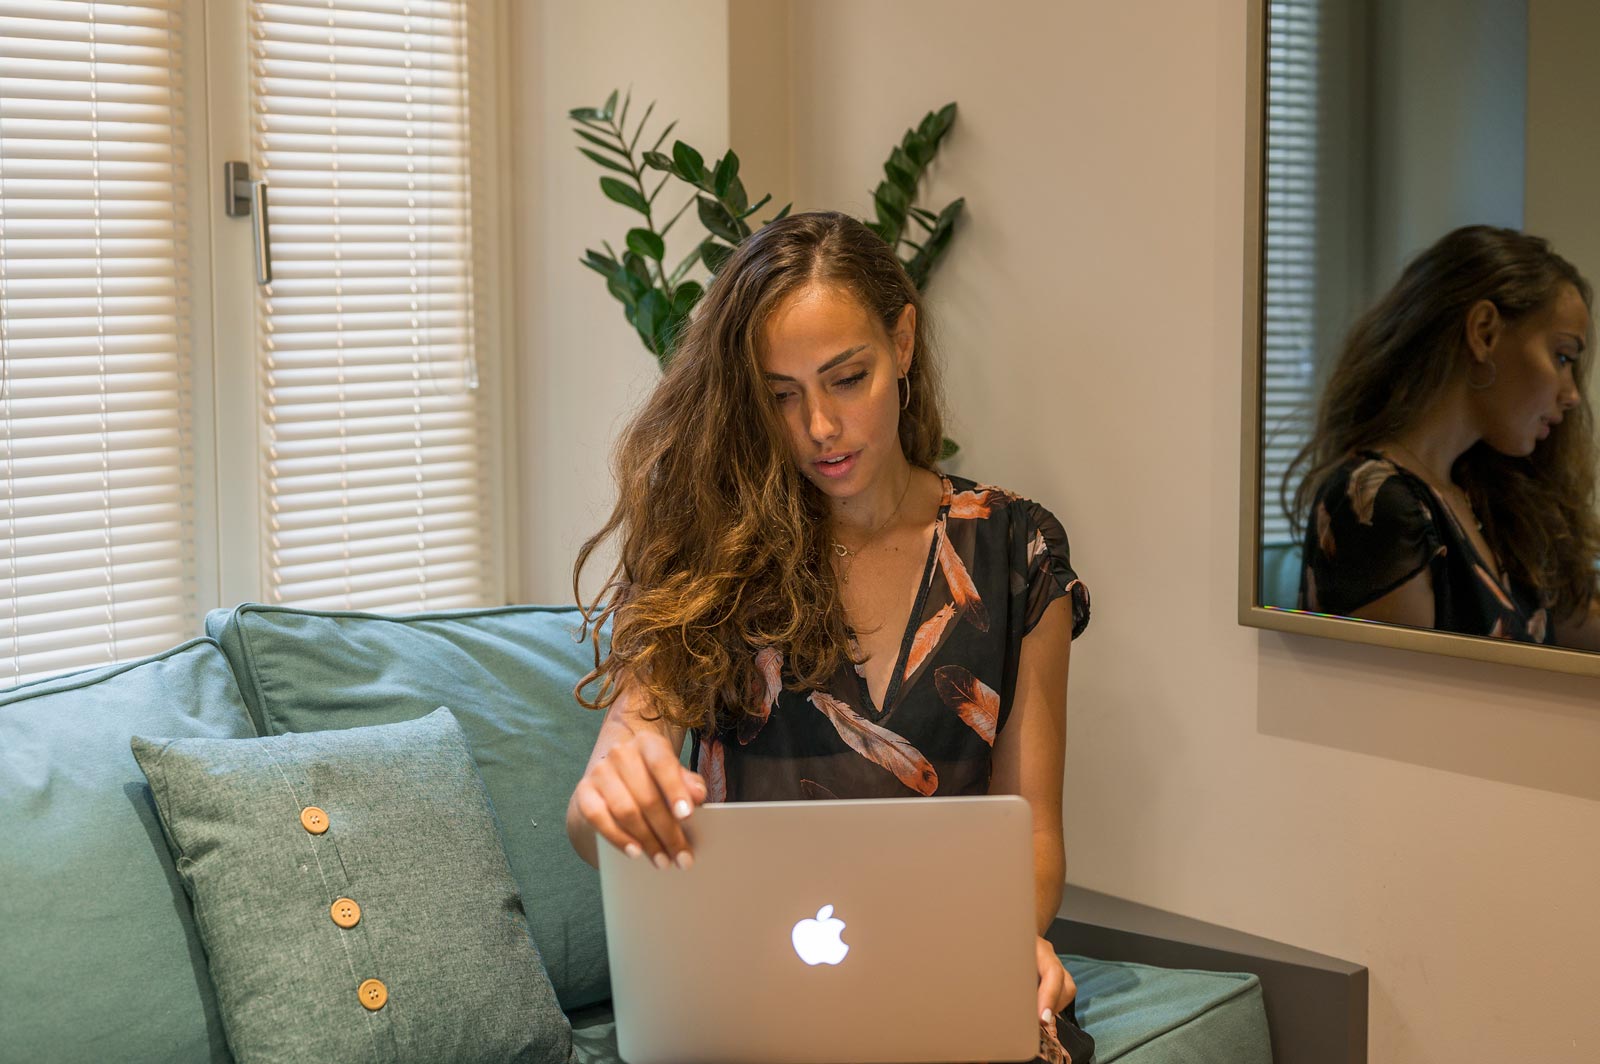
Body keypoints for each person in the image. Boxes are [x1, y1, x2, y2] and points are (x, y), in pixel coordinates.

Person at [564, 210, 1095, 1063]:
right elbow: (600, 810)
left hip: (946, 980)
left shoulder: (1016, 552)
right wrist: (608, 798)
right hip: (744, 994)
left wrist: (1009, 941)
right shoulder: (710, 556)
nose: (818, 427)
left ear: (904, 343)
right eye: (781, 395)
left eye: (847, 378)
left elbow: (1030, 836)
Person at [1288, 225, 1600, 648]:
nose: (1572, 395)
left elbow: (1578, 625)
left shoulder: (1482, 498)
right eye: (1562, 356)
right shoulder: (1376, 501)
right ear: (1484, 331)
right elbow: (1400, 706)